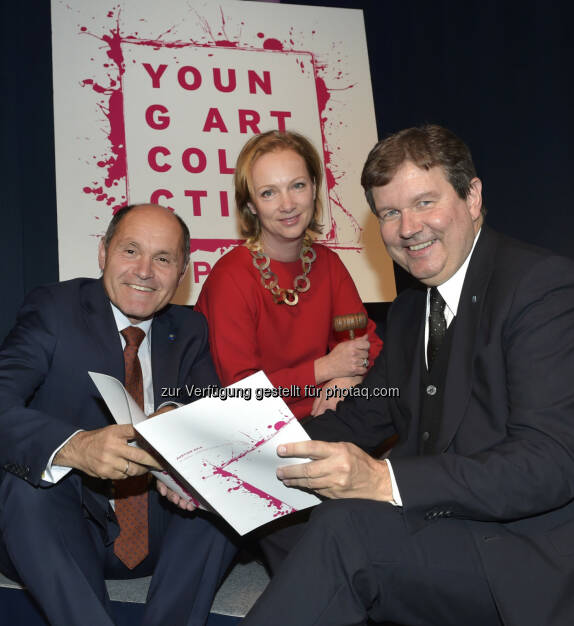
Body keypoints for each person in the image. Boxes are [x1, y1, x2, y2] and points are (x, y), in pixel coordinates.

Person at [242, 125, 574, 626]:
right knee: (287, 516)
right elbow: (355, 420)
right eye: (390, 213)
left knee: (345, 531)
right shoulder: (409, 310)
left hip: (522, 553)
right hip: (442, 524)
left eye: (424, 203)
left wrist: (385, 478)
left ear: (472, 197)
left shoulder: (541, 287)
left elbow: (548, 464)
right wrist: (229, 464)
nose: (407, 228)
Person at [0, 204, 237, 626]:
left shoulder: (190, 329)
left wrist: (176, 422)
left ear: (182, 273)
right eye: (131, 251)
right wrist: (75, 447)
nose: (144, 271)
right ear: (103, 252)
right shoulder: (54, 309)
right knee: (27, 486)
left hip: (161, 523)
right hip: (66, 526)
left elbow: (210, 414)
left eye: (163, 259)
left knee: (225, 485)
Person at [195, 130, 382, 421]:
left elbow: (369, 346)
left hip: (322, 418)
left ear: (314, 188)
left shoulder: (328, 264)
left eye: (297, 186)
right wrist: (325, 369)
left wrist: (348, 377)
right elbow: (242, 393)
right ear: (250, 205)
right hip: (248, 430)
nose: (287, 204)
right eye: (268, 193)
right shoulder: (230, 277)